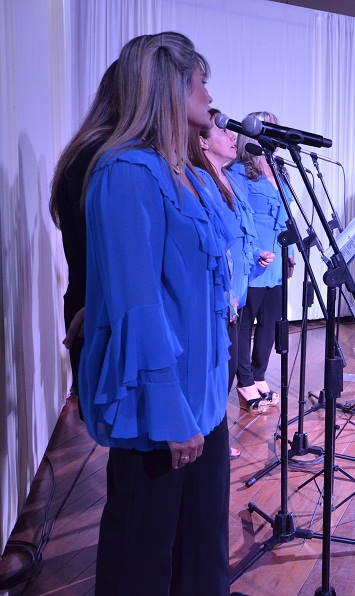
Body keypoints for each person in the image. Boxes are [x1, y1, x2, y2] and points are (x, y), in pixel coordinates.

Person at [79, 32, 231, 593]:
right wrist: (169, 412)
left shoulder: (188, 172)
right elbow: (138, 304)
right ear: (169, 88)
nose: (209, 95)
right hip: (161, 411)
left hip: (205, 400)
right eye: (199, 83)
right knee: (142, 561)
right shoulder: (125, 172)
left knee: (202, 554)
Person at [189, 109, 276, 455]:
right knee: (218, 370)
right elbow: (210, 244)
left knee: (223, 370)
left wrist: (256, 255)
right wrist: (226, 291)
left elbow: (241, 234)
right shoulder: (200, 180)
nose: (231, 137)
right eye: (223, 132)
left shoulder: (227, 178)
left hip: (235, 289)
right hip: (220, 294)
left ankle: (214, 439)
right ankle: (209, 442)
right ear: (202, 142)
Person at [49, 59, 121, 402]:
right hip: (101, 312)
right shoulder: (105, 158)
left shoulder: (91, 151)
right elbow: (111, 253)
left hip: (94, 307)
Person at [227, 111, 292, 409]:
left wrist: (290, 254)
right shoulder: (237, 172)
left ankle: (259, 374)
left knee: (271, 320)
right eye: (268, 130)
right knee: (246, 322)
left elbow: (288, 218)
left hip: (278, 257)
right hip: (254, 259)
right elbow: (238, 220)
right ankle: (245, 381)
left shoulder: (280, 170)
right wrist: (254, 254)